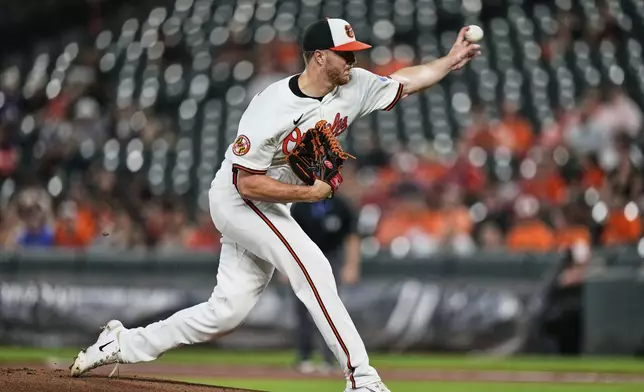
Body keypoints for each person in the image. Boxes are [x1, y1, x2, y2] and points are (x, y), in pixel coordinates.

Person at [70, 18, 481, 392]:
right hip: (237, 199)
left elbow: (404, 81)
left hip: (273, 204)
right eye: (346, 54)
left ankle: (122, 342)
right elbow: (247, 183)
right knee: (314, 267)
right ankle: (362, 379)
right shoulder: (270, 106)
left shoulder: (353, 86)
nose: (354, 61)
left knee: (225, 313)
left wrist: (449, 59)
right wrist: (309, 193)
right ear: (320, 57)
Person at [288, 195, 361, 374]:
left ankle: (331, 359)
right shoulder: (301, 206)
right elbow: (288, 236)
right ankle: (304, 357)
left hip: (332, 258)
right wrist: (287, 265)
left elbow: (352, 236)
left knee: (332, 309)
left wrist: (352, 265)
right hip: (304, 259)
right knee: (303, 310)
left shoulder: (341, 205)